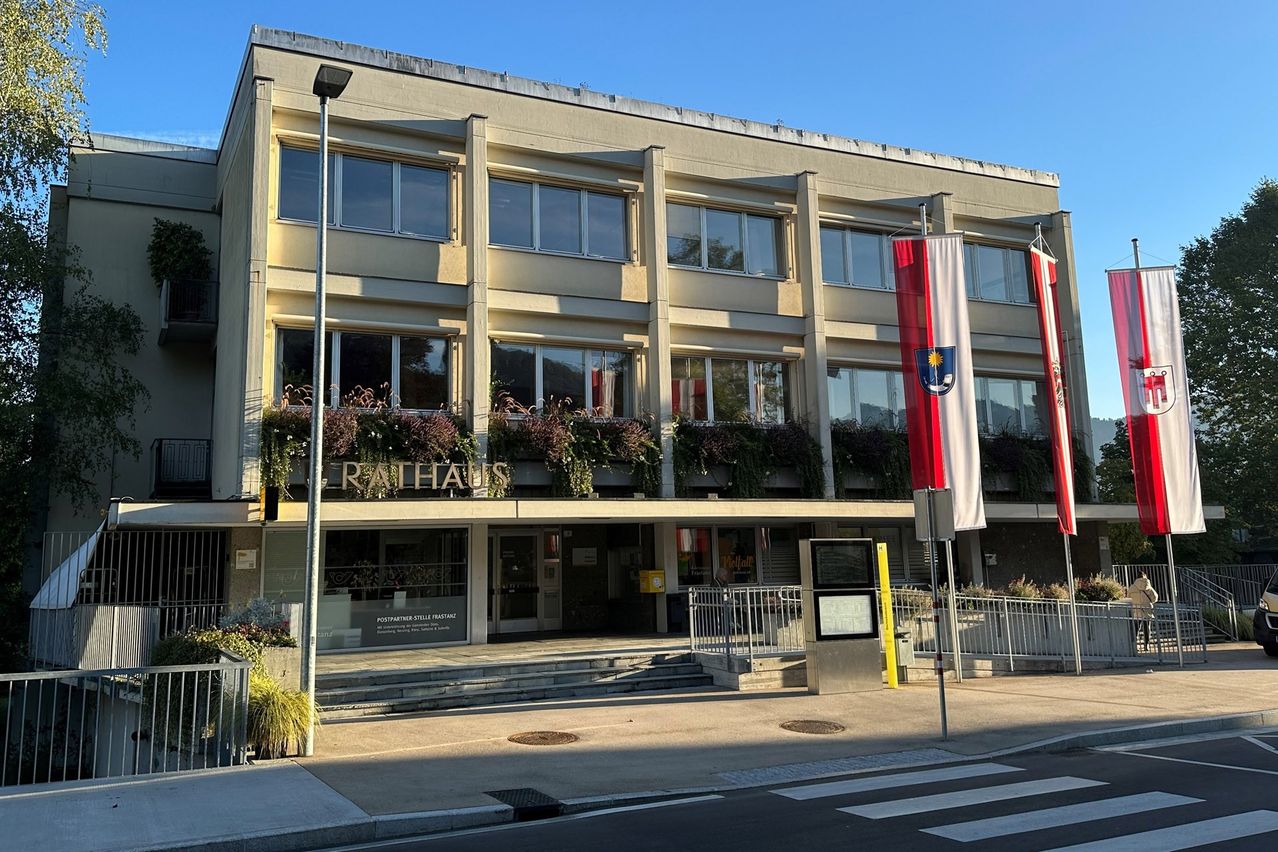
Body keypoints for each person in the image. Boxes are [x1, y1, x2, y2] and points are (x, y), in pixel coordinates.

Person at [1127, 571, 1159, 647]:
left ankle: (1134, 644)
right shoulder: (1148, 587)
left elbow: (1128, 598)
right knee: (1147, 627)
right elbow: (1155, 598)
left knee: (1136, 628)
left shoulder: (1132, 587)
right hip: (1147, 609)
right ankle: (1146, 644)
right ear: (1145, 576)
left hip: (1136, 609)